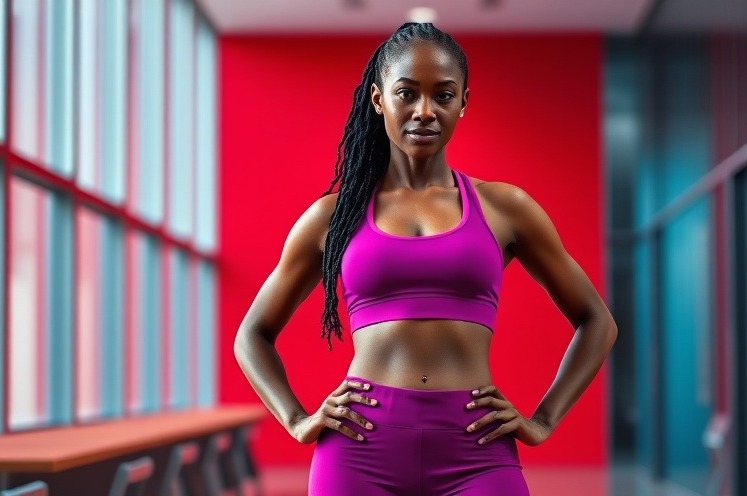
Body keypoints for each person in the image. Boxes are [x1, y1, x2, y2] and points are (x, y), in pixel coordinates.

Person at [234, 22, 617, 496]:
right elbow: (252, 334)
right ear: (379, 100)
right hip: (360, 449)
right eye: (407, 93)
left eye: (443, 95)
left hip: (476, 447)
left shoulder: (505, 208)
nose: (425, 111)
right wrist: (295, 419)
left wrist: (543, 420)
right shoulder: (332, 217)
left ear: (463, 102)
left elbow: (597, 321)